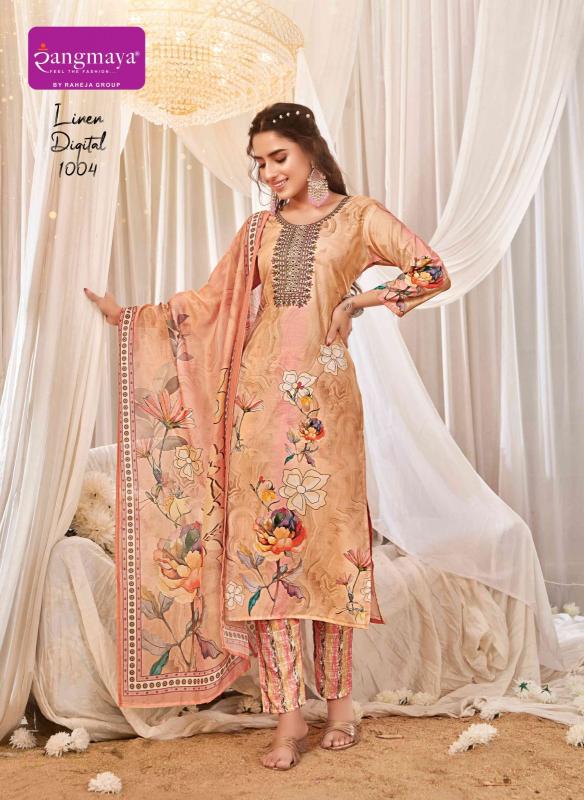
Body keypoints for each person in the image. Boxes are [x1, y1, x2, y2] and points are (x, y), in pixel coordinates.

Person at [85, 101, 451, 771]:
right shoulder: (259, 229)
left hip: (326, 409)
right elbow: (211, 303)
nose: (269, 172)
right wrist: (131, 317)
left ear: (310, 149)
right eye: (259, 162)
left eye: (278, 156)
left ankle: (339, 707)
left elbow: (432, 269)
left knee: (332, 558)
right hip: (255, 412)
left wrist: (359, 300)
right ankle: (287, 718)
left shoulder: (360, 217)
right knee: (266, 564)